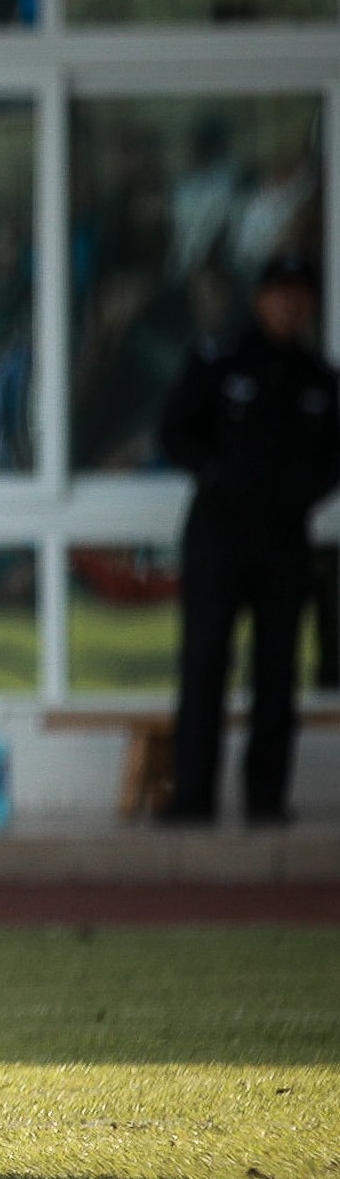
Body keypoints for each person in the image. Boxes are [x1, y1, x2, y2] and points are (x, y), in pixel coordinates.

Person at [160, 252, 340, 826]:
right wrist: (217, 476)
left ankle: (266, 801)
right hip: (219, 536)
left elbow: (332, 457)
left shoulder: (318, 378)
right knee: (205, 663)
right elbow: (174, 431)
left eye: (299, 293)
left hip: (283, 542)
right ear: (260, 298)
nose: (289, 303)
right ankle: (192, 799)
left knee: (277, 670)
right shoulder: (220, 359)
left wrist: (301, 494)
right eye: (279, 291)